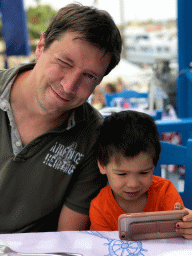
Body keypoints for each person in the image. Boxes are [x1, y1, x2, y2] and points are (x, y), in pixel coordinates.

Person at [0, 3, 122, 233]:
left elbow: (67, 239)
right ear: (41, 46)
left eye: (89, 76)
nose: (68, 86)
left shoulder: (95, 135)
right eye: (64, 63)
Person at [89, 110, 192, 239]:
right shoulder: (100, 208)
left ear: (154, 166)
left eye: (143, 173)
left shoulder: (165, 192)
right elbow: (103, 248)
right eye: (122, 174)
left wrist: (188, 226)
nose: (133, 184)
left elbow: (180, 236)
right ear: (102, 166)